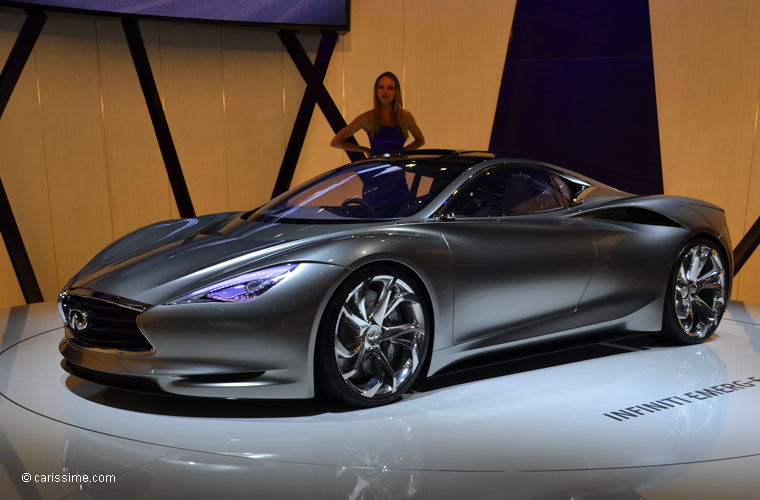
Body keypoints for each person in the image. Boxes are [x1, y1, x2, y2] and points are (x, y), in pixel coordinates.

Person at [331, 71, 425, 157]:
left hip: (399, 171)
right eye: (381, 87)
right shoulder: (367, 118)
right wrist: (365, 150)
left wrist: (403, 152)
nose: (385, 92)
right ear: (376, 90)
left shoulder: (405, 116)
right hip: (377, 171)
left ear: (396, 92)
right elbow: (336, 142)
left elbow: (420, 140)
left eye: (390, 88)